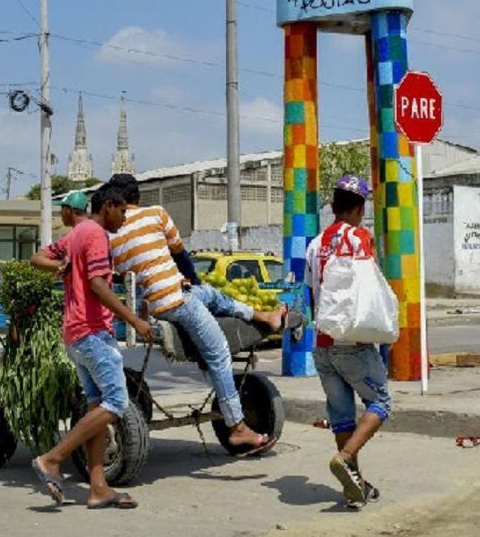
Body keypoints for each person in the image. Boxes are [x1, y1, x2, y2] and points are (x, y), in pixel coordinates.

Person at [105, 173, 287, 455]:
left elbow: (120, 276)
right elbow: (181, 256)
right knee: (219, 354)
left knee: (211, 295)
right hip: (175, 300)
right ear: (137, 197)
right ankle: (237, 427)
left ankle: (262, 315)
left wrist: (193, 289)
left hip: (154, 302)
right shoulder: (156, 214)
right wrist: (189, 283)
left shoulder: (110, 234)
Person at [29, 184, 153, 508]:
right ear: (108, 206)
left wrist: (59, 267)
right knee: (116, 403)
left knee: (98, 405)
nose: (124, 218)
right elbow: (98, 285)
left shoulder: (76, 234)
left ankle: (98, 488)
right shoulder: (96, 234)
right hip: (93, 333)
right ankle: (52, 459)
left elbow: (36, 258)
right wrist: (135, 321)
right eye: (123, 211)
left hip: (75, 334)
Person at [303, 174, 391, 509]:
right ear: (359, 208)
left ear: (333, 205)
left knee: (341, 416)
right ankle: (346, 456)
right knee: (381, 402)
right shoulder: (359, 237)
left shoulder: (315, 244)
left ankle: (357, 487)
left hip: (322, 344)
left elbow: (312, 294)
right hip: (352, 342)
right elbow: (369, 286)